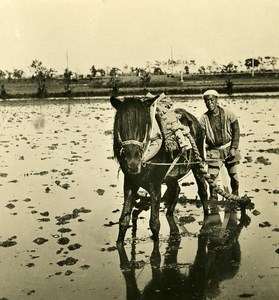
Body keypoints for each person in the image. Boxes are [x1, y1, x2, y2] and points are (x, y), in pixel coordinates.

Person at [199, 89, 241, 200]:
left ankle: (236, 196)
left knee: (233, 175)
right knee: (212, 178)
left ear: (217, 100)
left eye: (212, 100)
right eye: (207, 101)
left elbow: (236, 131)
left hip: (228, 148)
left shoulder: (229, 114)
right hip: (213, 151)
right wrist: (200, 154)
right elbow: (200, 137)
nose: (209, 103)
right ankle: (213, 201)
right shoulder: (203, 119)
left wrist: (234, 148)